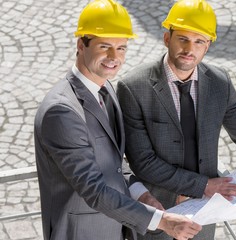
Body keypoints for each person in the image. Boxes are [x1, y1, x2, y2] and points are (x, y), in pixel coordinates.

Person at [116, 0, 236, 239]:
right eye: (183, 39)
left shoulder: (219, 83)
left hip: (205, 213)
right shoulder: (134, 87)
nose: (190, 49)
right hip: (160, 211)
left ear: (208, 46)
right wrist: (205, 186)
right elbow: (143, 162)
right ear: (167, 38)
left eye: (199, 41)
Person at [34, 0, 202, 239]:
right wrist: (162, 221)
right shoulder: (61, 111)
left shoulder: (107, 90)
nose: (114, 57)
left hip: (116, 229)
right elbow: (93, 189)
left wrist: (141, 194)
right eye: (104, 46)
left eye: (121, 48)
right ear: (81, 44)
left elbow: (113, 163)